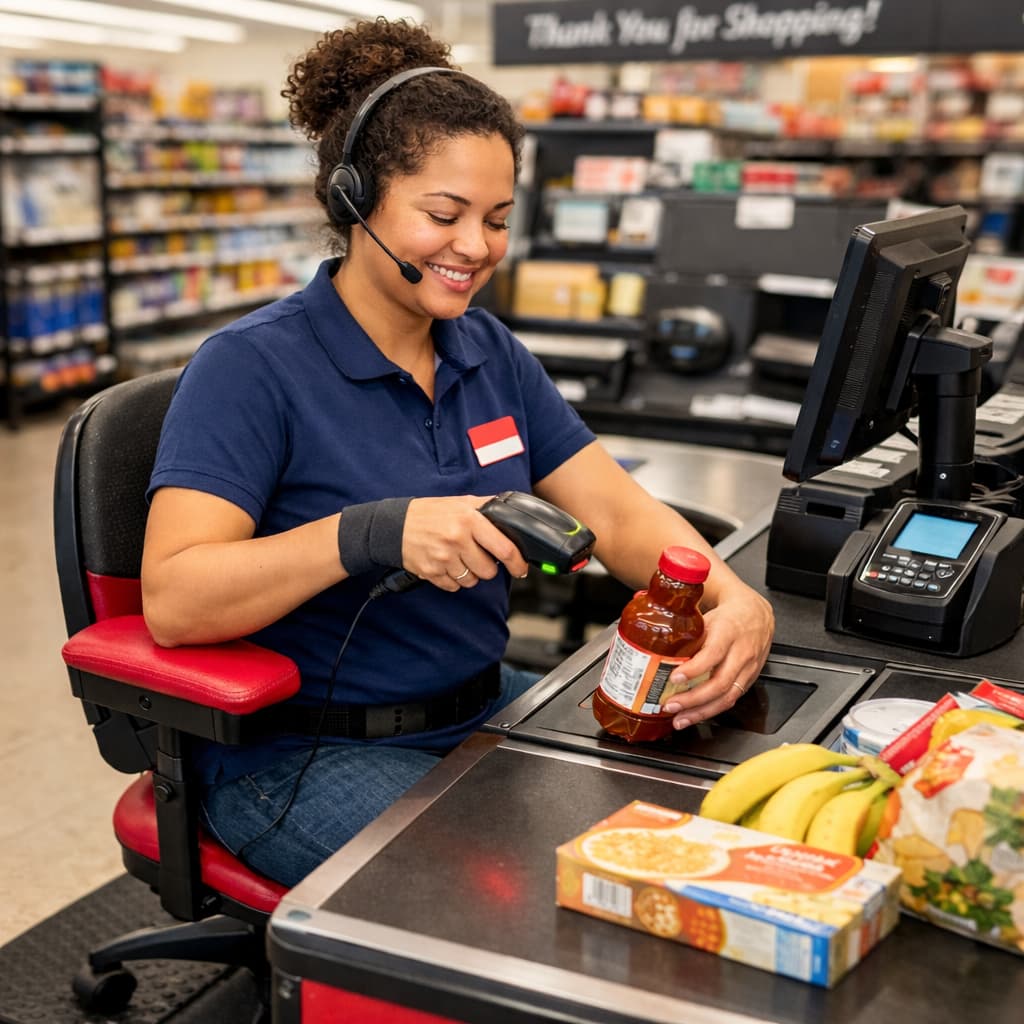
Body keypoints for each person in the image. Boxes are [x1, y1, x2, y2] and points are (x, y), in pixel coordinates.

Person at [141, 17, 774, 889]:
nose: (475, 248)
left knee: (697, 830)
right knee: (543, 901)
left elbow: (619, 511)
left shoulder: (488, 349)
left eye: (499, 219)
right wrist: (371, 533)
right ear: (354, 198)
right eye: (444, 215)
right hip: (299, 759)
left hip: (482, 706)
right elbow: (174, 598)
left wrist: (736, 598)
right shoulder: (250, 368)